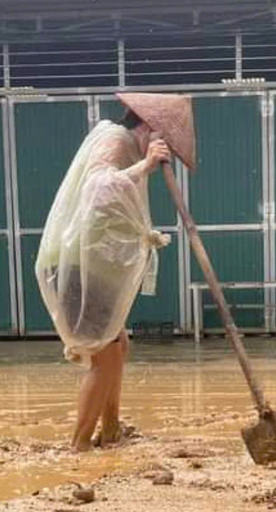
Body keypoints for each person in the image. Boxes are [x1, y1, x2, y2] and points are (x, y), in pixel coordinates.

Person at [36, 95, 193, 452]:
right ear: (150, 128)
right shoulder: (116, 140)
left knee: (118, 346)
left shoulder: (126, 145)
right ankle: (79, 446)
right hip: (76, 265)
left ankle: (110, 430)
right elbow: (98, 190)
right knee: (104, 356)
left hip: (89, 266)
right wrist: (146, 166)